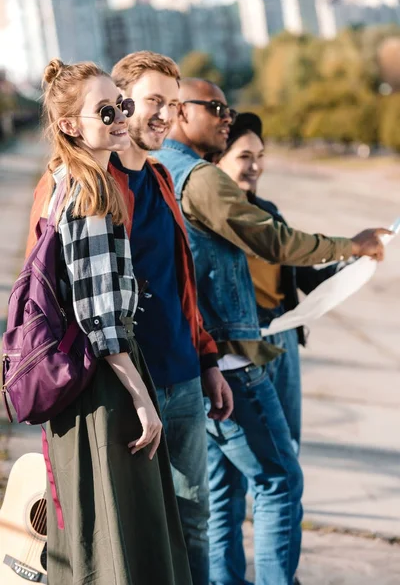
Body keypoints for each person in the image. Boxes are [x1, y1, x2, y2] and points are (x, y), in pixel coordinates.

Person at [154, 77, 390, 585]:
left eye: (227, 107)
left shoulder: (155, 172)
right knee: (279, 478)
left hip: (199, 360)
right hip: (235, 357)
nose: (224, 115)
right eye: (215, 107)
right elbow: (275, 243)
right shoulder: (198, 178)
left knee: (221, 493)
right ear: (178, 111)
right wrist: (350, 245)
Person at [26, 52, 233, 585]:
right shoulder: (81, 182)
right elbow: (49, 300)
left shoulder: (162, 179)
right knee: (129, 534)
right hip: (118, 387)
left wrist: (207, 360)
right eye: (149, 102)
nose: (163, 115)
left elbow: (178, 284)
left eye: (172, 102)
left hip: (182, 377)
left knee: (192, 522)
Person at [213, 111, 343, 454]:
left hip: (281, 334)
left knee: (287, 446)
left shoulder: (268, 211)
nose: (255, 166)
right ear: (218, 161)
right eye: (244, 156)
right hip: (240, 345)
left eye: (260, 157)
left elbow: (296, 266)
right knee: (242, 468)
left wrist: (349, 269)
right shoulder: (209, 217)